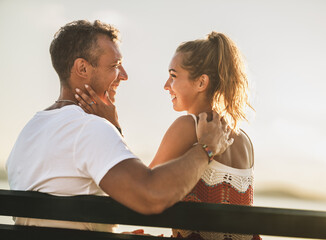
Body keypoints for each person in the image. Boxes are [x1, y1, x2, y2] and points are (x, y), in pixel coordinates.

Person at [5, 20, 233, 232]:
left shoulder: (30, 130)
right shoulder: (88, 128)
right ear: (82, 69)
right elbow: (151, 195)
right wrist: (206, 149)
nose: (123, 75)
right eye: (115, 65)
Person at [78, 32, 261, 240]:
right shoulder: (244, 139)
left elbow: (137, 191)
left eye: (173, 76)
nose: (166, 85)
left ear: (201, 83)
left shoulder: (188, 126)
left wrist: (114, 126)